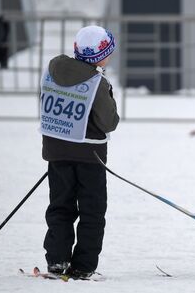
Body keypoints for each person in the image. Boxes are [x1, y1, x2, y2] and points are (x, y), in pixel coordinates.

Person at [40, 25, 120, 279]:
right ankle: (84, 266)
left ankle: (57, 261)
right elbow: (109, 122)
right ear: (100, 55)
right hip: (90, 156)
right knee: (92, 211)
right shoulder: (97, 82)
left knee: (60, 207)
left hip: (57, 152)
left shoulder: (52, 73)